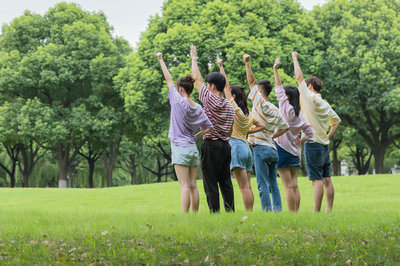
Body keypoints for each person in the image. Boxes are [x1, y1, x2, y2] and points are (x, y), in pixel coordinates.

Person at [157, 52, 213, 213]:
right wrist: (196, 136)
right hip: (191, 148)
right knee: (194, 184)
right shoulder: (198, 107)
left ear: (180, 88)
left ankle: (185, 215)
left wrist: (161, 60)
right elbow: (208, 127)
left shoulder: (177, 100)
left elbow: (168, 79)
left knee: (184, 186)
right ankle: (194, 214)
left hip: (179, 148)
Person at [292, 52, 341, 212]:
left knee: (317, 181)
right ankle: (329, 210)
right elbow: (337, 122)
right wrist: (327, 136)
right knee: (327, 179)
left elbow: (299, 78)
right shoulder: (326, 104)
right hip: (324, 145)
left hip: (313, 145)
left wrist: (295, 58)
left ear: (310, 87)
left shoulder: (309, 98)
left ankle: (316, 212)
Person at [190, 45, 235, 213]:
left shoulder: (210, 100)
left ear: (213, 86)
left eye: (208, 85)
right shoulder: (230, 107)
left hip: (212, 146)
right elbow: (230, 131)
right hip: (225, 146)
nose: (206, 87)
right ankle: (230, 211)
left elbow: (196, 79)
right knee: (226, 182)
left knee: (210, 182)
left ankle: (214, 212)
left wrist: (193, 57)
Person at [216, 58, 265, 211]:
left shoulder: (235, 110)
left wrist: (220, 66)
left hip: (236, 146)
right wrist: (247, 132)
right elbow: (262, 126)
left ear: (234, 97)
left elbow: (225, 86)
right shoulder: (248, 114)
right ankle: (250, 213)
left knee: (243, 187)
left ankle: (248, 214)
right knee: (248, 186)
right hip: (246, 147)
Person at [243, 54, 289, 212]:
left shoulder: (260, 104)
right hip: (273, 149)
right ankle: (277, 211)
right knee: (274, 184)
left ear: (260, 92)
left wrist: (247, 63)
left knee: (262, 185)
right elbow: (285, 127)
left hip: (260, 149)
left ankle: (267, 212)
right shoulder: (275, 109)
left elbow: (251, 82)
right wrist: (272, 136)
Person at [273, 57, 313, 212]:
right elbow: (310, 132)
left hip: (282, 149)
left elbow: (278, 88)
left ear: (287, 97)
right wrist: (299, 141)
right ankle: (295, 212)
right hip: (295, 152)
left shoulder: (285, 108)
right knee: (294, 184)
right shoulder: (298, 115)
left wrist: (275, 69)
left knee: (287, 185)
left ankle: (291, 213)